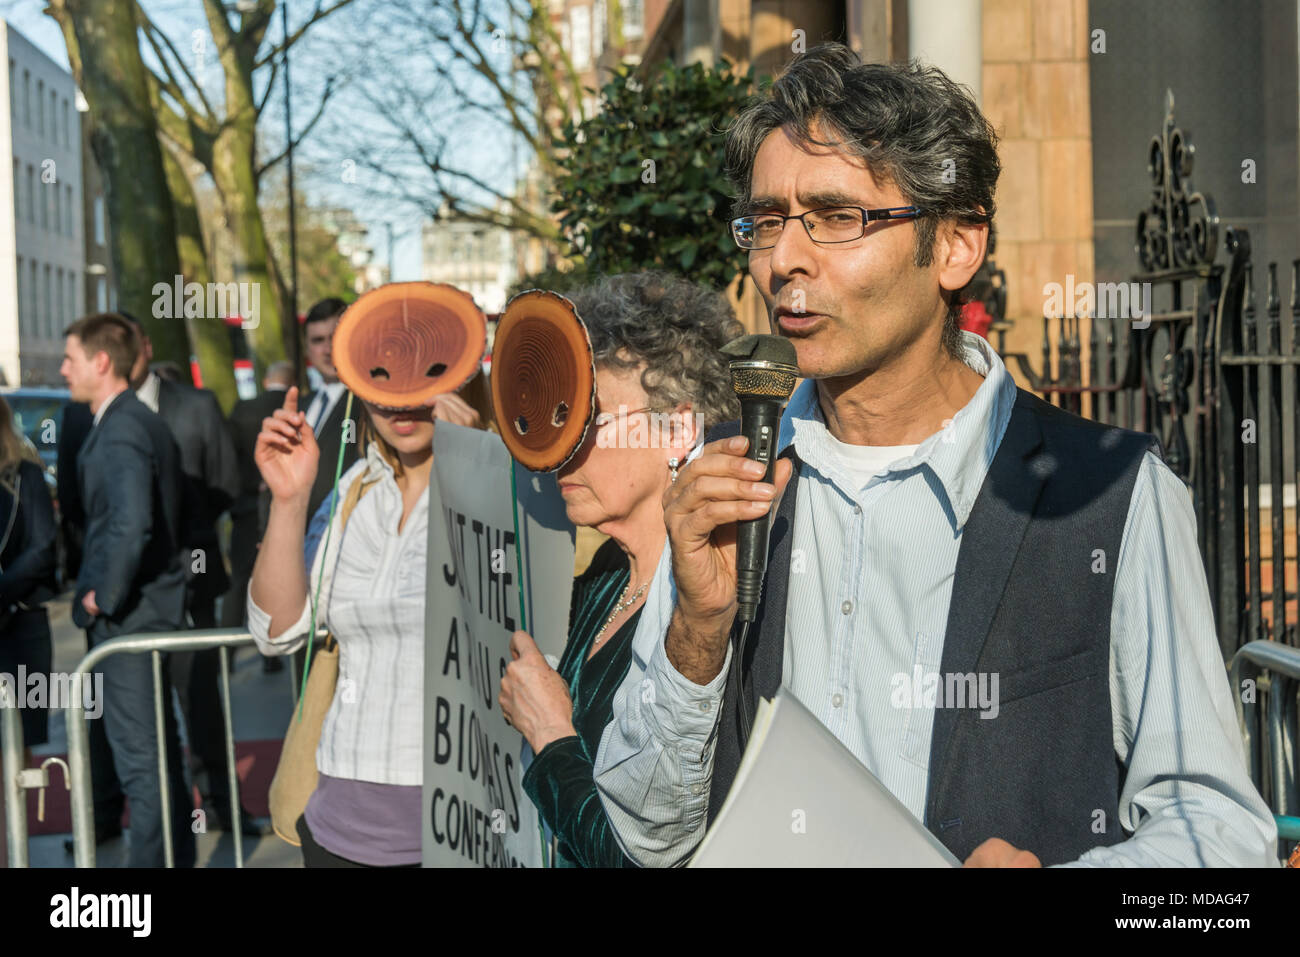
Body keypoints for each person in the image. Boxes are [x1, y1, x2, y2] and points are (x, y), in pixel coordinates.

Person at [592, 44, 1278, 868]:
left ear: (956, 245)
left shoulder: (1115, 495)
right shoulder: (726, 483)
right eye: (766, 221)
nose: (784, 259)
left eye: (838, 216)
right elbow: (643, 836)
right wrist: (696, 637)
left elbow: (1222, 835)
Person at [497, 272, 741, 868]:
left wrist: (551, 736)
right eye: (558, 420)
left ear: (678, 430)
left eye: (586, 422)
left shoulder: (712, 608)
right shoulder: (606, 570)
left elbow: (639, 858)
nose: (560, 448)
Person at [247, 381, 482, 867]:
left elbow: (514, 633)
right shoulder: (355, 487)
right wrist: (289, 500)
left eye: (425, 376)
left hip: (462, 828)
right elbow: (277, 631)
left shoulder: (512, 480)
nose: (400, 398)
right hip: (335, 825)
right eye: (381, 377)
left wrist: (476, 473)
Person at [59, 313, 194, 867]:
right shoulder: (128, 420)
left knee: (142, 761)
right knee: (156, 756)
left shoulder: (122, 427)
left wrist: (101, 597)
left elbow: (131, 521)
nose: (63, 369)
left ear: (101, 361)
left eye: (70, 358)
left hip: (132, 618)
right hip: (141, 615)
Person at [118, 312, 249, 833]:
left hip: (191, 589)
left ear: (145, 348)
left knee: (200, 703)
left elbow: (225, 485)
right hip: (123, 596)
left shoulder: (195, 405)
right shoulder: (90, 415)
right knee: (127, 714)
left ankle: (221, 805)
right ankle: (122, 816)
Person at [0, 397, 58, 869]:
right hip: (17, 616)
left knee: (14, 747)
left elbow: (42, 547)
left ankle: (13, 850)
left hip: (18, 624)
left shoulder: (27, 475)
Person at [224, 361, 295, 676]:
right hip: (287, 507)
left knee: (239, 583)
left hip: (248, 506)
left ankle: (225, 656)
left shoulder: (243, 409)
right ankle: (272, 655)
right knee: (279, 580)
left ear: (266, 379)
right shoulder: (299, 409)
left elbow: (229, 456)